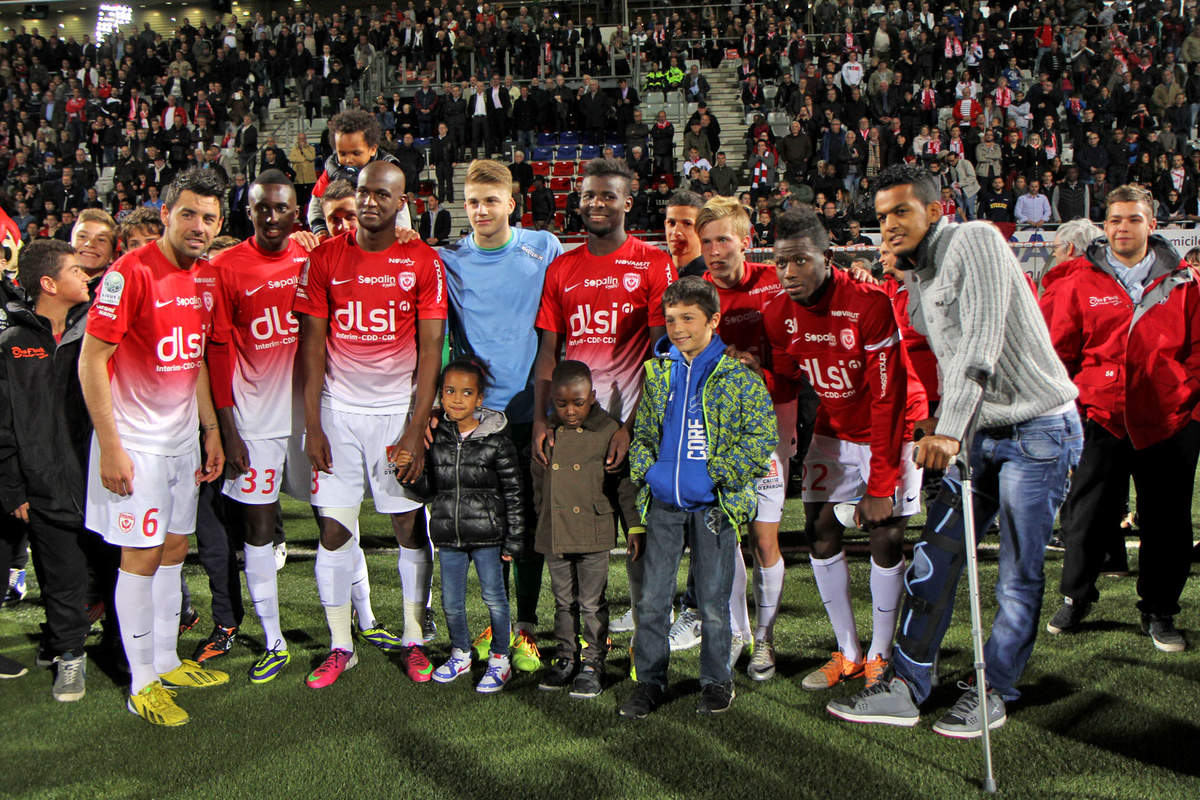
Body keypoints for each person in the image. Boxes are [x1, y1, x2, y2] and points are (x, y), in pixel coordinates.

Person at [827, 164, 1082, 738]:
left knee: (1016, 573)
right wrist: (907, 278)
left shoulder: (978, 239)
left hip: (1038, 430)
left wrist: (949, 429)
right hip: (979, 433)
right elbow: (931, 348)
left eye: (901, 213)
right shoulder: (921, 269)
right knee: (935, 558)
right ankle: (905, 687)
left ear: (937, 210)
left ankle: (993, 690)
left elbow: (981, 342)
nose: (888, 226)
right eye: (882, 216)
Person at [78, 169, 230, 727]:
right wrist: (112, 447)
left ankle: (166, 661)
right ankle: (142, 682)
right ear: (165, 213)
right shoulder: (129, 273)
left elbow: (191, 363)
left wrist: (210, 429)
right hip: (135, 446)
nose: (198, 225)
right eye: (188, 213)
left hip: (180, 442)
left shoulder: (205, 278)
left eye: (209, 217)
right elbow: (91, 361)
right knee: (139, 560)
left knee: (172, 551)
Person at [760, 204, 928, 692]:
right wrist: (758, 368)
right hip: (835, 426)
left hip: (892, 426)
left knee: (885, 533)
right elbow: (791, 373)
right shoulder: (777, 313)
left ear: (826, 256)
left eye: (801, 261)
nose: (789, 273)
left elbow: (888, 399)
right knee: (818, 528)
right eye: (781, 263)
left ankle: (880, 654)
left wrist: (881, 483)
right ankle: (848, 652)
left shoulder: (869, 304)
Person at [293, 161, 446, 688]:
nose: (370, 202)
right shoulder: (324, 258)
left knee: (408, 526)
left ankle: (413, 638)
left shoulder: (422, 261)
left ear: (402, 202)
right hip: (337, 412)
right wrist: (312, 423)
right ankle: (341, 646)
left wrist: (414, 427)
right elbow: (311, 347)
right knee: (334, 530)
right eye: (363, 192)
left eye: (383, 194)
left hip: (394, 417)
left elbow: (431, 350)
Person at [1040, 185, 1200, 652]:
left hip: (1168, 421)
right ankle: (1076, 595)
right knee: (1087, 515)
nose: (1121, 228)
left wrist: (1186, 401)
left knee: (1167, 520)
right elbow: (1056, 355)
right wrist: (1069, 412)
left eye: (1132, 219)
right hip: (1099, 417)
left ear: (1153, 225)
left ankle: (1160, 609)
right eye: (1113, 219)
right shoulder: (1076, 280)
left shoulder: (1186, 282)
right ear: (1104, 225)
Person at [532, 158, 676, 664]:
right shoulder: (562, 267)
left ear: (627, 203)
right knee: (575, 535)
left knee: (640, 533)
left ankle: (646, 635)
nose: (596, 203)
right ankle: (577, 647)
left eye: (607, 195)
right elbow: (548, 353)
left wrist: (634, 426)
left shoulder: (654, 264)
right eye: (589, 195)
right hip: (576, 427)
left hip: (633, 424)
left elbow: (663, 358)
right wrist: (542, 419)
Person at [618, 276, 776, 718]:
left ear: (713, 320)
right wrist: (650, 472)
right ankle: (650, 682)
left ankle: (716, 682)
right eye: (671, 319)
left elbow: (762, 437)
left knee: (712, 601)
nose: (678, 327)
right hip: (664, 506)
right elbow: (644, 434)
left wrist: (714, 477)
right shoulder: (659, 371)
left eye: (688, 318)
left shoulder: (738, 375)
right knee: (651, 601)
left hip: (715, 508)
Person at [437, 159, 563, 673]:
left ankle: (527, 625)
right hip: (475, 418)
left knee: (526, 523)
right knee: (480, 527)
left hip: (528, 409)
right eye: (472, 202)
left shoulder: (545, 248)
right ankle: (490, 626)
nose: (481, 210)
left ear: (512, 203)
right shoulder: (450, 260)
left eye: (491, 201)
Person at [205, 170, 318, 683]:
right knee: (258, 527)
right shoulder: (224, 266)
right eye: (260, 209)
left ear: (297, 212)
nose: (271, 218)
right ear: (247, 212)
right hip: (254, 420)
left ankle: (363, 622)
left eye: (280, 208)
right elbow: (219, 351)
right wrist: (227, 429)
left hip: (315, 414)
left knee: (334, 516)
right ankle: (273, 640)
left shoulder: (314, 254)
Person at [0, 240, 93, 701]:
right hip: (42, 483)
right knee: (61, 575)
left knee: (97, 571)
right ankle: (69, 655)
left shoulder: (94, 330)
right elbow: (2, 424)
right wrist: (13, 486)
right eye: (77, 270)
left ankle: (66, 640)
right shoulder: (11, 345)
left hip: (96, 478)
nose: (87, 276)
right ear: (50, 283)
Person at [403, 360, 523, 693]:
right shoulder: (436, 435)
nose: (457, 399)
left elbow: (514, 491)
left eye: (466, 393)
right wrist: (406, 474)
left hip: (489, 537)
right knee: (450, 602)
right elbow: (428, 488)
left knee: (495, 600)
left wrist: (513, 540)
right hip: (448, 536)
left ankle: (500, 658)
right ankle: (461, 652)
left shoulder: (497, 438)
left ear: (480, 399)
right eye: (450, 391)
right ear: (440, 395)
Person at [532, 360, 639, 697]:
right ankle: (566, 657)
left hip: (594, 528)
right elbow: (537, 486)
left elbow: (624, 486)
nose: (571, 411)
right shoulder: (545, 432)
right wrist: (541, 521)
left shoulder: (609, 430)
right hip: (556, 531)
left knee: (592, 602)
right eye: (562, 403)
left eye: (578, 402)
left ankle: (593, 662)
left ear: (592, 396)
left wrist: (633, 527)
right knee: (563, 601)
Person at [306, 110, 406, 241]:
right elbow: (316, 202)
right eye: (342, 153)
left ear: (373, 149)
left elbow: (400, 209)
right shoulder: (331, 170)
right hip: (343, 237)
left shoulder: (387, 172)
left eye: (356, 153)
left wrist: (402, 234)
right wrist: (320, 229)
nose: (349, 159)